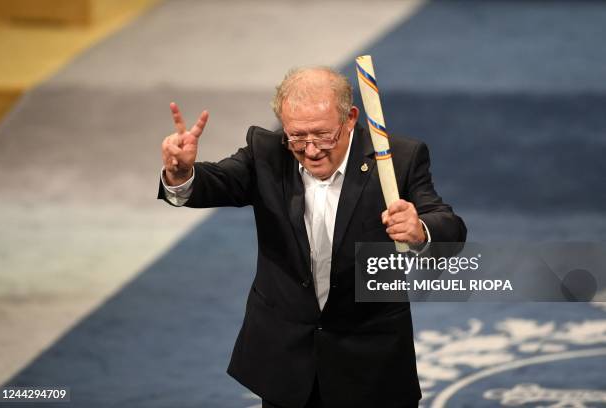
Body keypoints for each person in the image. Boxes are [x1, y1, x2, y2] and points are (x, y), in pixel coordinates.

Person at [158, 67, 466, 408]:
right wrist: (182, 172)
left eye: (322, 135)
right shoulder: (267, 153)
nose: (311, 149)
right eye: (297, 137)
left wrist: (419, 230)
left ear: (350, 119)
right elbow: (214, 183)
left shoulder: (397, 159)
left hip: (369, 361)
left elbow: (448, 226)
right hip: (287, 360)